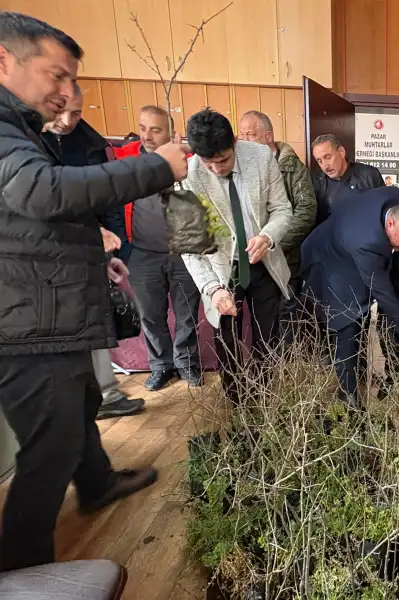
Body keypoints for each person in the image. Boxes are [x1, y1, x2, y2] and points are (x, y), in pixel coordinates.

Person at [0, 12, 189, 571]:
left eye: (71, 81)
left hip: (46, 301)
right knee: (50, 446)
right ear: (5, 60)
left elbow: (29, 222)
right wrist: (156, 167)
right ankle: (22, 569)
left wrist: (92, 254)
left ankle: (99, 483)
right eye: (56, 76)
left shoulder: (22, 128)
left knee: (80, 404)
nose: (66, 93)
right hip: (26, 318)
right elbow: (41, 192)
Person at [41, 87, 145, 419]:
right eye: (62, 112)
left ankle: (107, 393)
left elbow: (107, 201)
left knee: (96, 324)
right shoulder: (30, 146)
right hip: (49, 261)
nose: (68, 121)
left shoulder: (92, 145)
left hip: (91, 254)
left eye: (76, 113)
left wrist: (113, 246)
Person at [181, 109, 293, 402]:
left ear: (235, 143)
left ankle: (265, 394)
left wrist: (268, 236)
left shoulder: (261, 157)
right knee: (226, 336)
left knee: (266, 335)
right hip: (220, 269)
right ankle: (234, 398)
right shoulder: (186, 176)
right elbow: (188, 245)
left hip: (262, 261)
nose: (217, 169)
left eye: (224, 160)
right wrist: (212, 289)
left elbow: (282, 210)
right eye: (209, 163)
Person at [301, 187, 399, 405]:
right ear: (391, 223)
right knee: (347, 323)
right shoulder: (367, 242)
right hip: (328, 263)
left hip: (347, 248)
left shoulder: (395, 197)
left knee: (361, 316)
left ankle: (355, 381)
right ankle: (349, 399)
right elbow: (382, 291)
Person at [113, 105, 203, 391]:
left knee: (187, 313)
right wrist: (125, 249)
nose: (147, 136)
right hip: (141, 253)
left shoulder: (188, 162)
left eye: (155, 129)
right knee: (151, 315)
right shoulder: (126, 160)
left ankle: (187, 364)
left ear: (171, 132)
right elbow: (112, 204)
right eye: (143, 128)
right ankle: (161, 366)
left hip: (184, 253)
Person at [238, 110, 316, 341]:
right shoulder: (238, 166)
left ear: (268, 136)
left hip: (282, 256)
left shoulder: (291, 167)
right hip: (247, 258)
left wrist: (275, 242)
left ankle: (281, 368)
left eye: (250, 134)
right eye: (241, 135)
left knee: (283, 316)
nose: (244, 141)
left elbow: (305, 210)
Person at [311, 133, 384, 223]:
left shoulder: (369, 175)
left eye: (328, 157)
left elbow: (383, 212)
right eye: (319, 161)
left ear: (341, 152)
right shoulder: (316, 181)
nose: (325, 166)